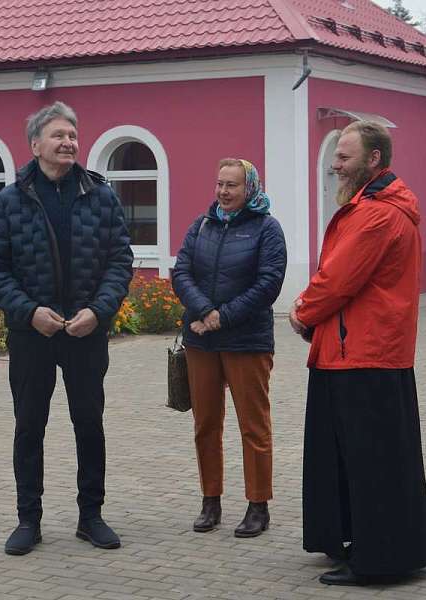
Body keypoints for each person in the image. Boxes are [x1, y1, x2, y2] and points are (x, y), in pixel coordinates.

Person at [0, 101, 133, 556]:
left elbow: (119, 261)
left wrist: (98, 312)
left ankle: (91, 516)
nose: (68, 143)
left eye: (72, 136)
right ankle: (29, 520)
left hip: (86, 333)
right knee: (30, 426)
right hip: (33, 335)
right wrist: (29, 312)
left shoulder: (100, 196)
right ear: (35, 145)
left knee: (89, 424)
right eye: (58, 136)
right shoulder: (10, 201)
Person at [289, 121, 426, 585]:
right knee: (366, 458)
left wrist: (301, 312)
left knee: (370, 462)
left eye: (344, 157)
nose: (335, 165)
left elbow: (337, 280)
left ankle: (378, 560)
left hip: (362, 355)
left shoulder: (376, 215)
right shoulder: (378, 208)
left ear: (374, 160)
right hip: (360, 352)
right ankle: (364, 542)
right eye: (336, 156)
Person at [172, 158, 287, 538]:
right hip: (201, 340)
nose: (223, 191)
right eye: (219, 183)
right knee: (205, 424)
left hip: (246, 341)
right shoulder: (201, 225)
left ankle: (258, 505)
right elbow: (182, 272)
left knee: (253, 427)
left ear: (249, 188)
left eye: (231, 185)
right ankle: (211, 501)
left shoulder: (267, 229)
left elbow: (268, 284)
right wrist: (206, 312)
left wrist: (222, 317)